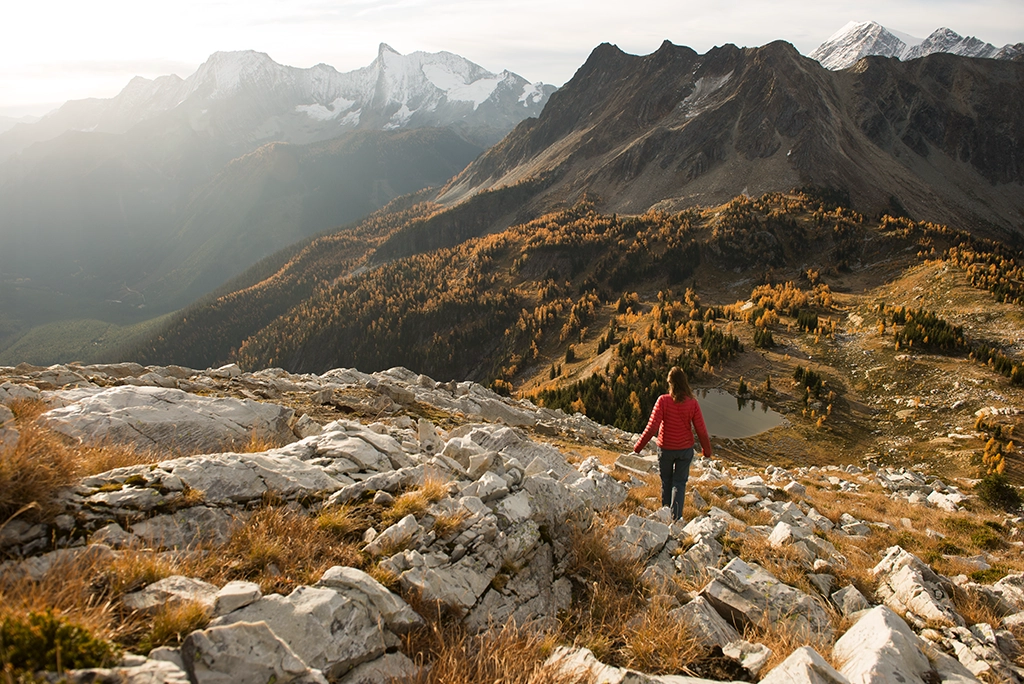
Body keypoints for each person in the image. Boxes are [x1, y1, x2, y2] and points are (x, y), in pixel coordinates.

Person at [633, 366, 713, 521]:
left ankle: (665, 516)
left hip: (666, 449)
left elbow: (652, 427)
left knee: (666, 482)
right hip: (685, 450)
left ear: (670, 383)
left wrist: (638, 447)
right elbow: (701, 430)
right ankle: (676, 518)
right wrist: (706, 451)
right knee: (679, 483)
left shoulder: (663, 401)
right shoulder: (692, 403)